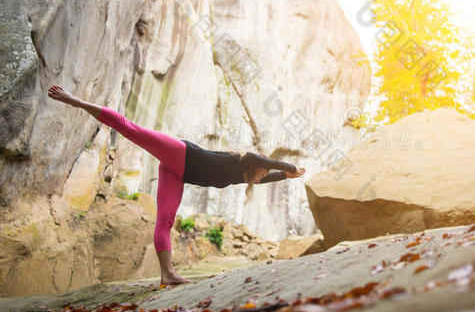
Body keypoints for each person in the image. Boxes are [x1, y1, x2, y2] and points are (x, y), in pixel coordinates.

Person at [47, 85, 306, 285]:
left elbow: (264, 176)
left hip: (176, 174)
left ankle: (167, 274)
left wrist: (285, 177)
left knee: (165, 221)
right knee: (130, 129)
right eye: (262, 174)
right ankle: (75, 100)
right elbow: (260, 160)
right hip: (179, 153)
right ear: (256, 168)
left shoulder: (242, 176)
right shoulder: (242, 161)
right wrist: (288, 166)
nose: (261, 178)